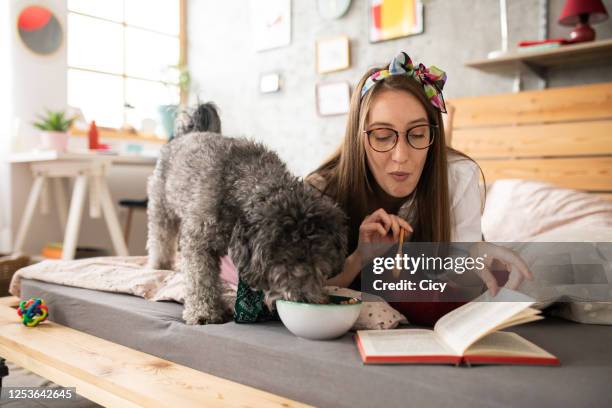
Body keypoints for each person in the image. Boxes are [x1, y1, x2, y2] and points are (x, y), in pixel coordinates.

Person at [306, 51, 532, 325]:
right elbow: (296, 287)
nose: (401, 155)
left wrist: (472, 257)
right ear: (359, 138)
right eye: (382, 136)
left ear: (433, 136)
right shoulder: (320, 191)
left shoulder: (458, 175)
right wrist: (358, 259)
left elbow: (460, 270)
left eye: (417, 134)